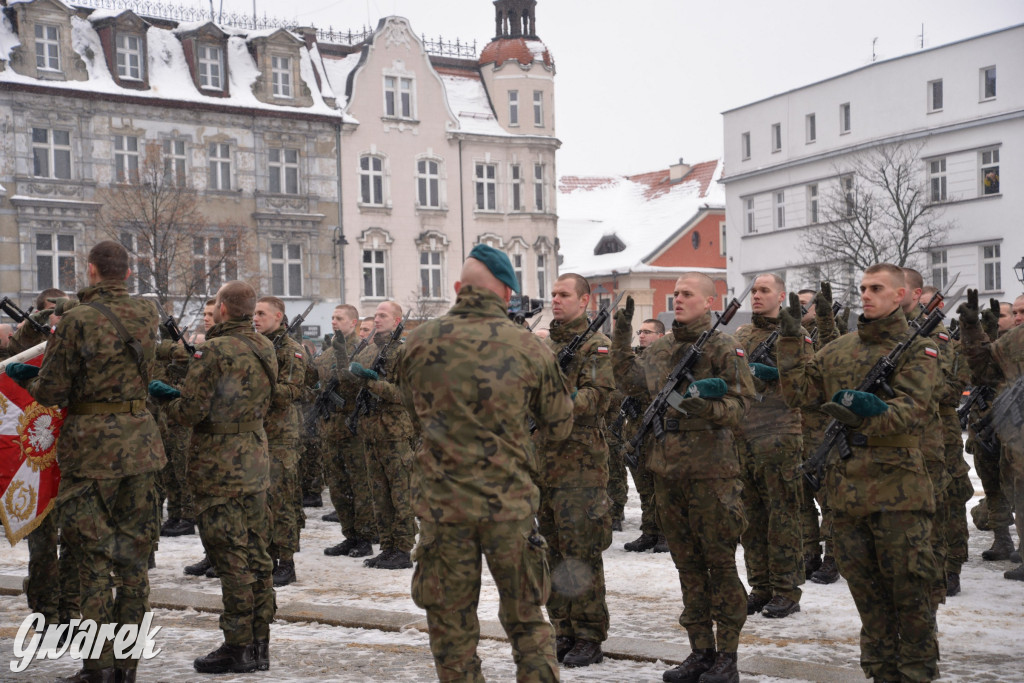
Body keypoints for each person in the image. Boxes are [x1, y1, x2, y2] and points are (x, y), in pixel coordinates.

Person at [396, 244, 573, 682]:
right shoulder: (529, 347)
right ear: (508, 295)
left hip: (443, 508)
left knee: (451, 626)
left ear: (458, 289)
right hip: (508, 505)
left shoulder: (418, 342)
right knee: (528, 620)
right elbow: (560, 424)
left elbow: (408, 407)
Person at [9, 241, 166, 683]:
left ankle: (97, 667)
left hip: (92, 450)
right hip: (141, 446)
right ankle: (127, 665)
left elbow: (53, 390)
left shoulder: (77, 320)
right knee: (133, 561)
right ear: (129, 275)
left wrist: (30, 379)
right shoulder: (146, 314)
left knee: (92, 559)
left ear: (92, 271)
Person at [776, 263, 940, 682]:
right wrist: (793, 340)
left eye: (877, 288)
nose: (866, 294)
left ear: (900, 295)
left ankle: (917, 671)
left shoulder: (918, 348)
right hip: (847, 491)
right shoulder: (839, 350)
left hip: (898, 490)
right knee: (866, 591)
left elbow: (914, 411)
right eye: (863, 287)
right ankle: (881, 671)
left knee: (910, 589)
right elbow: (798, 393)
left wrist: (875, 411)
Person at [612, 272, 754, 683]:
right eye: (674, 294)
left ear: (709, 302)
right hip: (668, 472)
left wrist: (702, 408)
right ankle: (699, 651)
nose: (678, 299)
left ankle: (727, 656)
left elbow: (742, 407)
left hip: (712, 474)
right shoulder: (661, 351)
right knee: (687, 567)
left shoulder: (726, 347)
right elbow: (629, 381)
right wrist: (621, 338)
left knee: (720, 566)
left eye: (687, 294)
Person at [156, 280, 278, 673]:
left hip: (219, 466)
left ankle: (237, 646)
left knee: (231, 558)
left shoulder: (214, 350)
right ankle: (260, 644)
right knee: (258, 555)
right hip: (255, 461)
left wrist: (167, 400)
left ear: (223, 308)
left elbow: (191, 411)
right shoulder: (265, 346)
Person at [536, 273, 614, 668]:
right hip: (543, 466)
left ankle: (588, 634)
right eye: (553, 294)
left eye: (564, 295)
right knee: (550, 551)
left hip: (580, 468)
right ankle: (562, 627)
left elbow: (597, 397)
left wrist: (561, 401)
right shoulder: (545, 346)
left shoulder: (597, 347)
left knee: (580, 554)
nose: (556, 301)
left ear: (584, 302)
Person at [735, 273, 805, 619]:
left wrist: (776, 373)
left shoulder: (796, 333)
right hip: (744, 435)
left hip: (780, 434)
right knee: (751, 517)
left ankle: (786, 590)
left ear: (781, 296)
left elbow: (805, 380)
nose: (757, 295)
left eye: (764, 290)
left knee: (782, 517)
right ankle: (760, 585)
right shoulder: (743, 334)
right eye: (754, 290)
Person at [958, 288, 1024, 581]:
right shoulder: (1012, 342)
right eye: (1018, 313)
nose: (1020, 318)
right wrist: (973, 329)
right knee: (1015, 492)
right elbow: (982, 369)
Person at [349, 301, 417, 570]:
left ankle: (402, 548)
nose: (377, 319)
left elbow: (405, 395)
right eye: (375, 315)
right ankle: (387, 547)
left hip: (395, 434)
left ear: (397, 319)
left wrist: (372, 382)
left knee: (401, 494)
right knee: (379, 496)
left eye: (383, 315)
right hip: (371, 434)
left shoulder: (405, 352)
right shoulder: (368, 352)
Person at [920, 285, 972, 596]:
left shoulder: (943, 341)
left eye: (926, 304)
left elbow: (951, 391)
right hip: (918, 430)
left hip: (944, 430)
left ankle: (952, 566)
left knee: (951, 498)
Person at [253, 296, 308, 587]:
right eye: (254, 313)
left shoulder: (290, 350)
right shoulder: (257, 345)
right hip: (257, 434)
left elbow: (290, 391)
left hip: (281, 436)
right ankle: (267, 557)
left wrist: (257, 385)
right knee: (261, 502)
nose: (256, 318)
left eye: (262, 313)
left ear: (278, 316)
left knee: (282, 501)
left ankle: (286, 561)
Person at [319, 305, 376, 558]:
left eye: (339, 318)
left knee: (359, 486)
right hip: (331, 428)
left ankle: (364, 537)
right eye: (332, 318)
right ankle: (349, 535)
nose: (333, 322)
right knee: (338, 487)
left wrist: (343, 358)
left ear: (353, 322)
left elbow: (355, 387)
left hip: (353, 429)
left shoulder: (363, 350)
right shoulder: (329, 351)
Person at [618, 318, 669, 553]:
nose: (642, 335)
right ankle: (649, 531)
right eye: (640, 331)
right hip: (636, 430)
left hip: (658, 431)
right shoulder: (635, 361)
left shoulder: (668, 359)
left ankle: (665, 533)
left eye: (648, 332)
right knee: (644, 486)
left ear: (660, 335)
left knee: (662, 486)